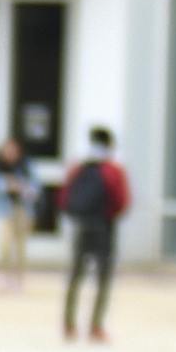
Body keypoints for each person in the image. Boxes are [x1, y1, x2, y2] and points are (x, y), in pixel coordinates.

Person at [58, 125, 130, 341]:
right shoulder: (113, 170)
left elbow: (63, 198)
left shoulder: (79, 168)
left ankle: (69, 324)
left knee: (75, 276)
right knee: (103, 278)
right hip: (105, 228)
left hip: (81, 226)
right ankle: (96, 326)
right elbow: (122, 201)